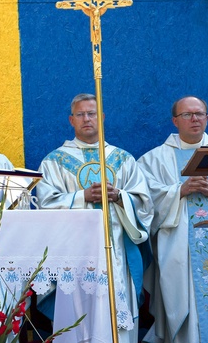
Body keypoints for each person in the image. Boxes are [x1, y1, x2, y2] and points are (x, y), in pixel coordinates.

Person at [35, 94, 154, 343]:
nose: (86, 119)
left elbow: (144, 204)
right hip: (74, 254)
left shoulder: (123, 159)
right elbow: (44, 205)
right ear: (71, 120)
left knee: (117, 322)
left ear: (102, 118)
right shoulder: (54, 161)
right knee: (80, 319)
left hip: (118, 253)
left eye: (92, 113)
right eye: (80, 114)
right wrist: (82, 196)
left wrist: (120, 197)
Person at [138, 96, 208, 343]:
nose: (194, 119)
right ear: (175, 121)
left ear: (207, 118)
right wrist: (179, 191)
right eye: (187, 115)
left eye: (199, 113)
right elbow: (143, 201)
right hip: (177, 246)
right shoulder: (152, 160)